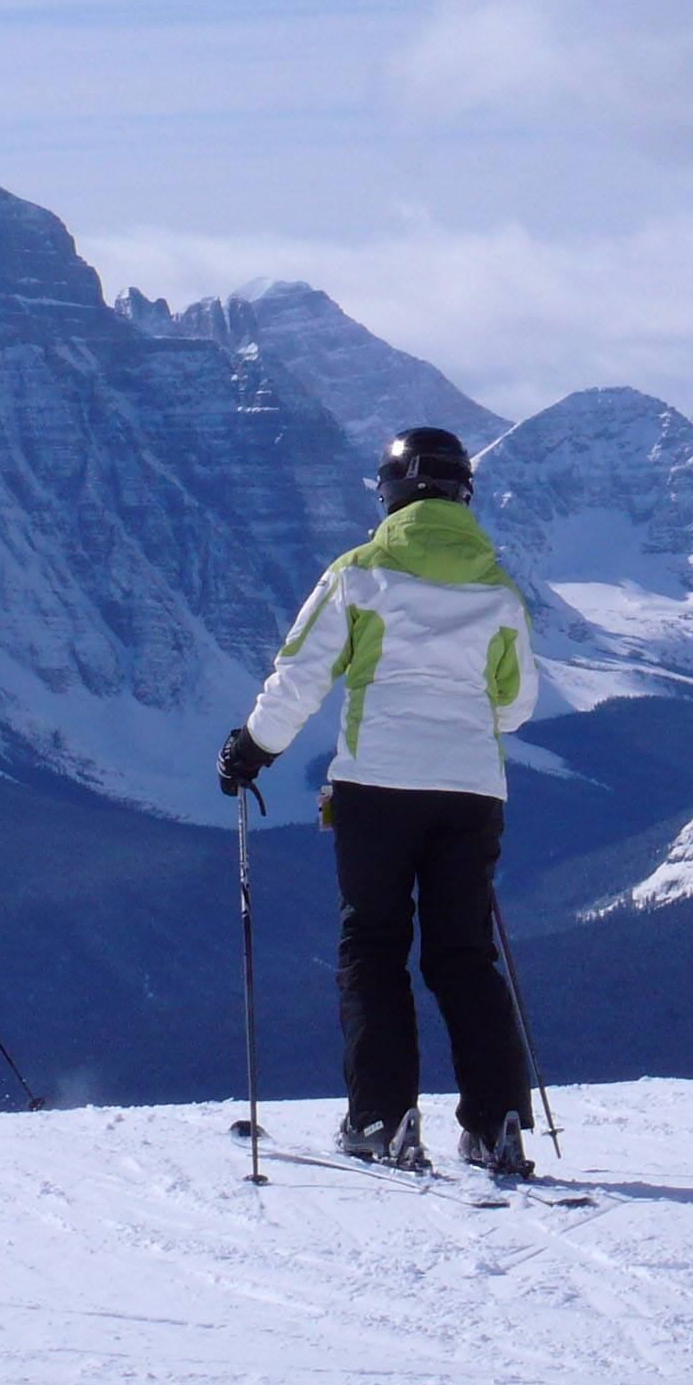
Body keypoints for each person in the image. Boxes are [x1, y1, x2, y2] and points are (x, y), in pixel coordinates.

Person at [221, 426, 542, 1177]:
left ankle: (380, 1117)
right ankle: (497, 1123)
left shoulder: (359, 572)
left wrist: (251, 749)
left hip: (378, 786)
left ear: (391, 493)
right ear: (464, 493)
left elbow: (300, 674)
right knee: (463, 953)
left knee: (373, 944)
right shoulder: (497, 588)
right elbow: (517, 703)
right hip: (470, 791)